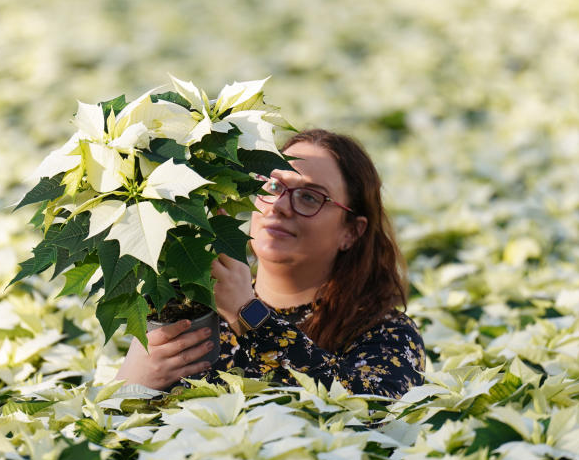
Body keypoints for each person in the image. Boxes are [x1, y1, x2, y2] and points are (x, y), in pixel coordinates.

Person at [116, 129, 425, 398]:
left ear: (351, 231)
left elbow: (371, 411)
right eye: (273, 187)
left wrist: (248, 315)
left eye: (309, 197)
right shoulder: (194, 316)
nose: (279, 206)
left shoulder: (386, 332)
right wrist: (130, 385)